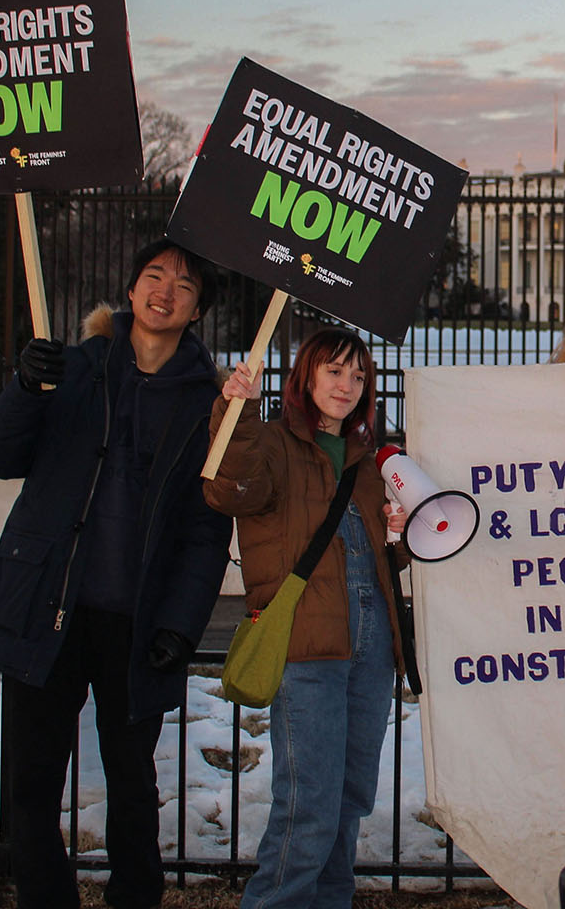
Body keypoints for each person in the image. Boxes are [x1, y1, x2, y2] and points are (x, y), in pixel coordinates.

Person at [0, 240, 231, 909]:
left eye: (183, 285)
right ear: (131, 286)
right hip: (47, 605)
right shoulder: (76, 368)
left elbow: (207, 531)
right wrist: (26, 387)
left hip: (137, 621)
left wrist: (180, 624)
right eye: (154, 275)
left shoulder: (206, 403)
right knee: (30, 786)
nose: (165, 291)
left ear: (197, 309)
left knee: (132, 787)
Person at [204, 325, 409, 909]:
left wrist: (398, 538)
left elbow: (375, 560)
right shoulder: (271, 443)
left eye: (358, 374)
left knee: (348, 806)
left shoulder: (371, 461)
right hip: (306, 648)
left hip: (370, 653)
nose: (347, 384)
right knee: (309, 809)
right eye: (334, 370)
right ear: (307, 375)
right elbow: (230, 490)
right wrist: (233, 410)